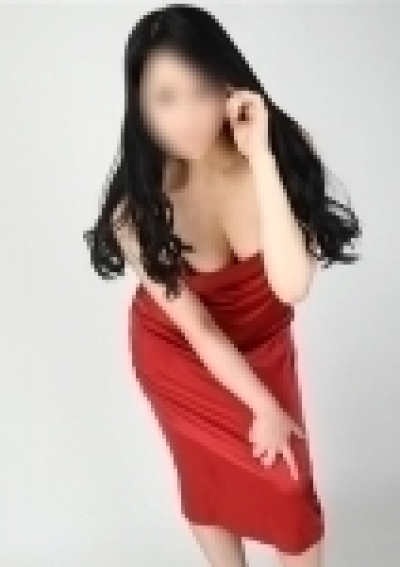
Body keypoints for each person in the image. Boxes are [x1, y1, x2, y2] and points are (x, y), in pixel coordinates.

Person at [83, 5, 361, 567]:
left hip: (264, 340)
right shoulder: (135, 213)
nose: (188, 116)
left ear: (230, 86)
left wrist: (260, 157)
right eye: (166, 97)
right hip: (181, 350)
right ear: (139, 106)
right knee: (206, 473)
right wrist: (262, 407)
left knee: (290, 489)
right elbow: (201, 329)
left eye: (203, 91)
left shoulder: (278, 150)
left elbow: (291, 287)